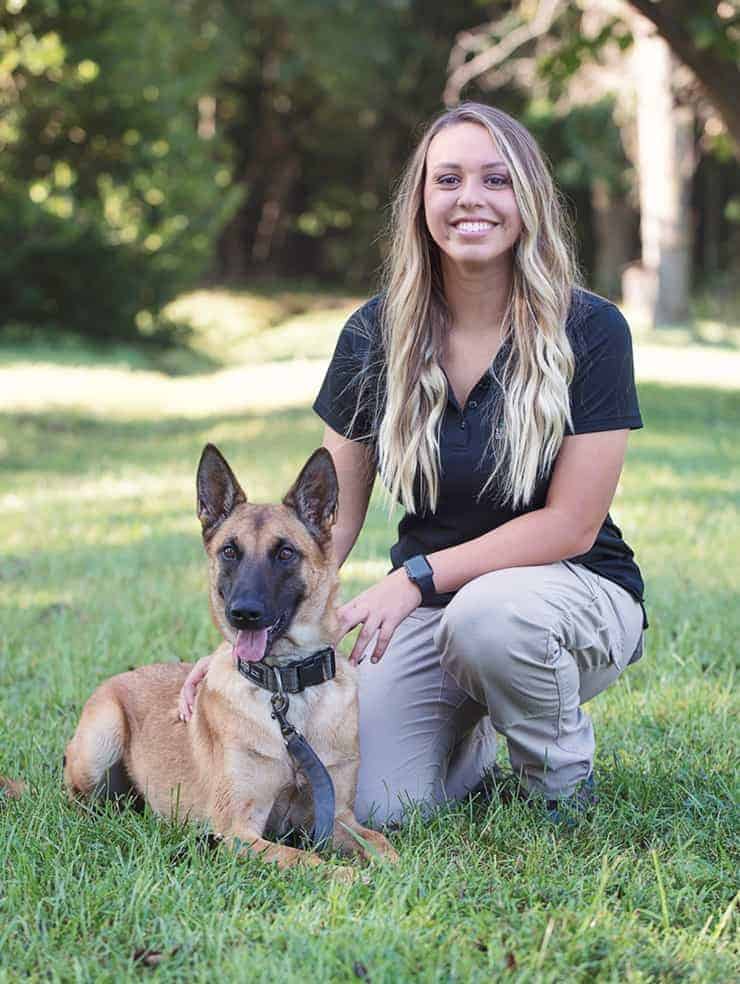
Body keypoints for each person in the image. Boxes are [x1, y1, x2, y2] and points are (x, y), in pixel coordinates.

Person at [180, 102, 646, 828]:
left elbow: (572, 524)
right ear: (420, 199)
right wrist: (238, 659)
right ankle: (477, 726)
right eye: (448, 178)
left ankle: (560, 785)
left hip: (569, 597)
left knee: (491, 622)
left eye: (496, 179)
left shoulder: (590, 328)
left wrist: (418, 576)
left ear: (528, 197)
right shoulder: (374, 334)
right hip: (431, 613)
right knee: (370, 805)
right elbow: (325, 522)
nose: (471, 199)